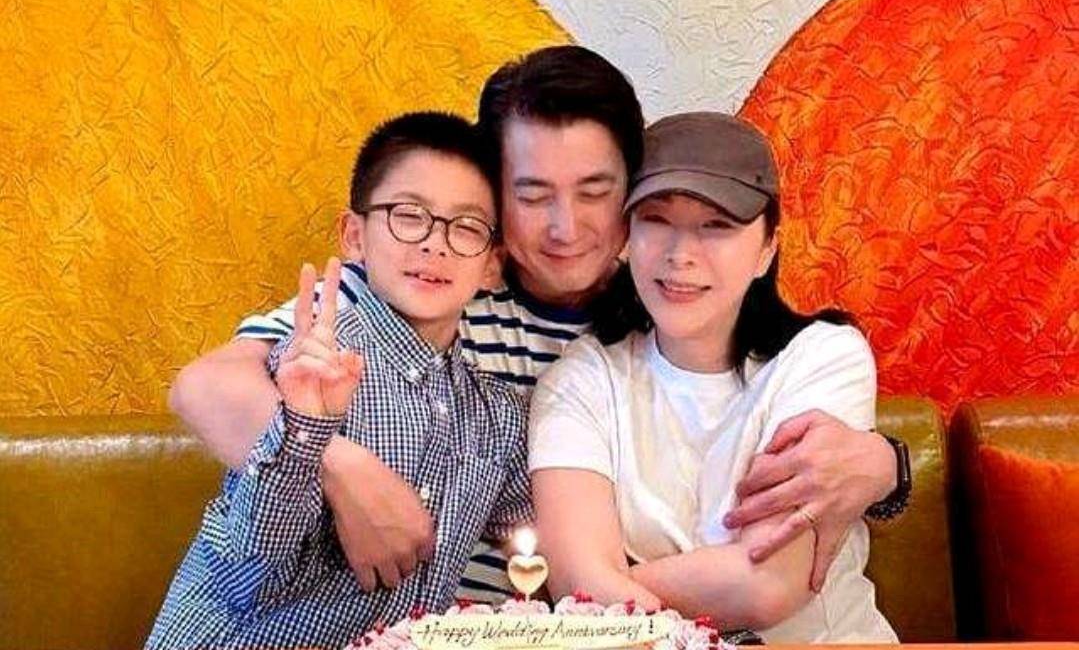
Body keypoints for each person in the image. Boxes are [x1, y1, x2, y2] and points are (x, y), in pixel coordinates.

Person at [169, 46, 905, 603]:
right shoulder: (432, 289)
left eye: (594, 191)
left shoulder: (670, 311)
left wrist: (885, 467)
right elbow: (206, 386)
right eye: (531, 194)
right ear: (494, 193)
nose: (565, 227)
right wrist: (344, 471)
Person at [148, 112, 531, 649]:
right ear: (355, 235)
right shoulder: (313, 364)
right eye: (408, 216)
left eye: (466, 227)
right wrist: (303, 431)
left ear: (492, 266)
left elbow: (541, 542)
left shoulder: (496, 419)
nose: (435, 244)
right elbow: (251, 563)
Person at [529, 112, 897, 642]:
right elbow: (576, 583)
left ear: (767, 248)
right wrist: (591, 593)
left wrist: (611, 591)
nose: (681, 255)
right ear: (626, 236)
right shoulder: (580, 380)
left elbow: (768, 584)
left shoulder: (822, 356)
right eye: (656, 219)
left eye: (717, 225)